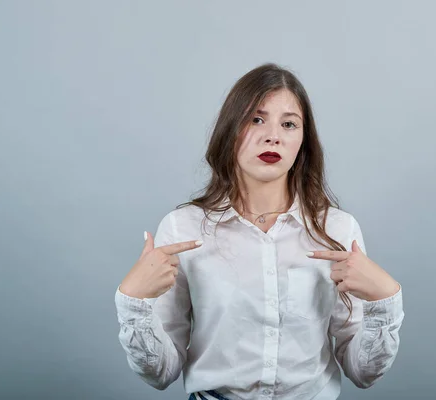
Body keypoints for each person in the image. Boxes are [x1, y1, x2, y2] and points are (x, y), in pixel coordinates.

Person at [114, 63, 404, 400]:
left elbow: (363, 373)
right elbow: (160, 373)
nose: (273, 136)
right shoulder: (183, 228)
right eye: (256, 119)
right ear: (229, 130)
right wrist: (133, 303)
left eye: (289, 124)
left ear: (302, 142)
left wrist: (385, 301)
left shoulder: (337, 229)